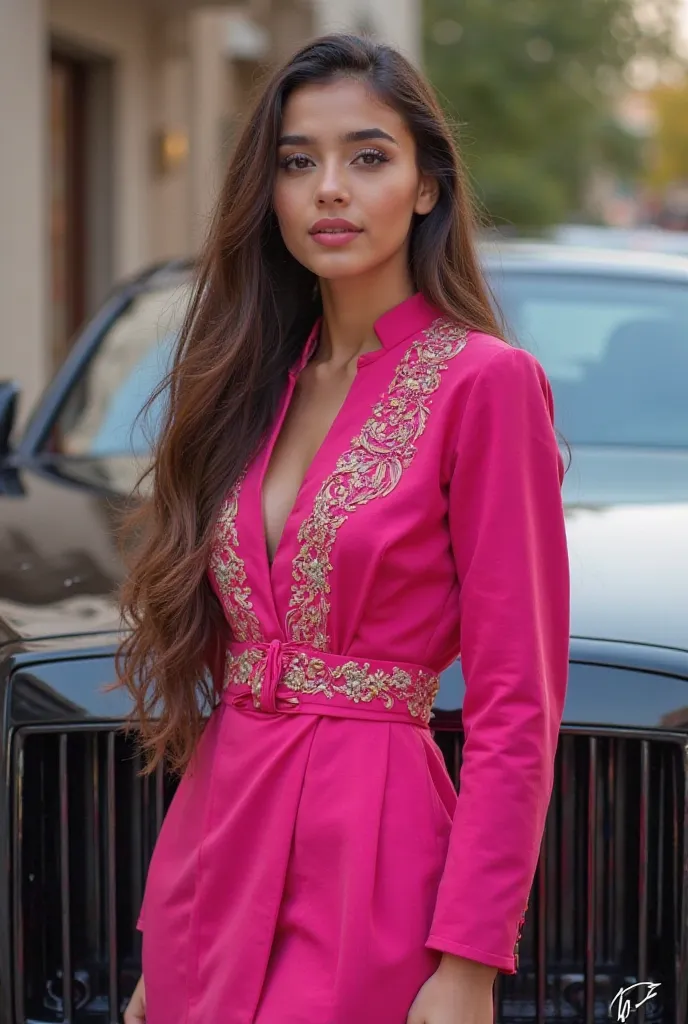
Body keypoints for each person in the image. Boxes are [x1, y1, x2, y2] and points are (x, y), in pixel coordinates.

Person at [119, 33, 570, 1024]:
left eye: (367, 156)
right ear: (268, 193)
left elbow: (515, 709)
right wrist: (170, 927)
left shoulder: (485, 385)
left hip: (372, 853)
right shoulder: (248, 387)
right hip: (215, 856)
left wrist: (468, 962)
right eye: (297, 161)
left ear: (422, 186)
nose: (329, 188)